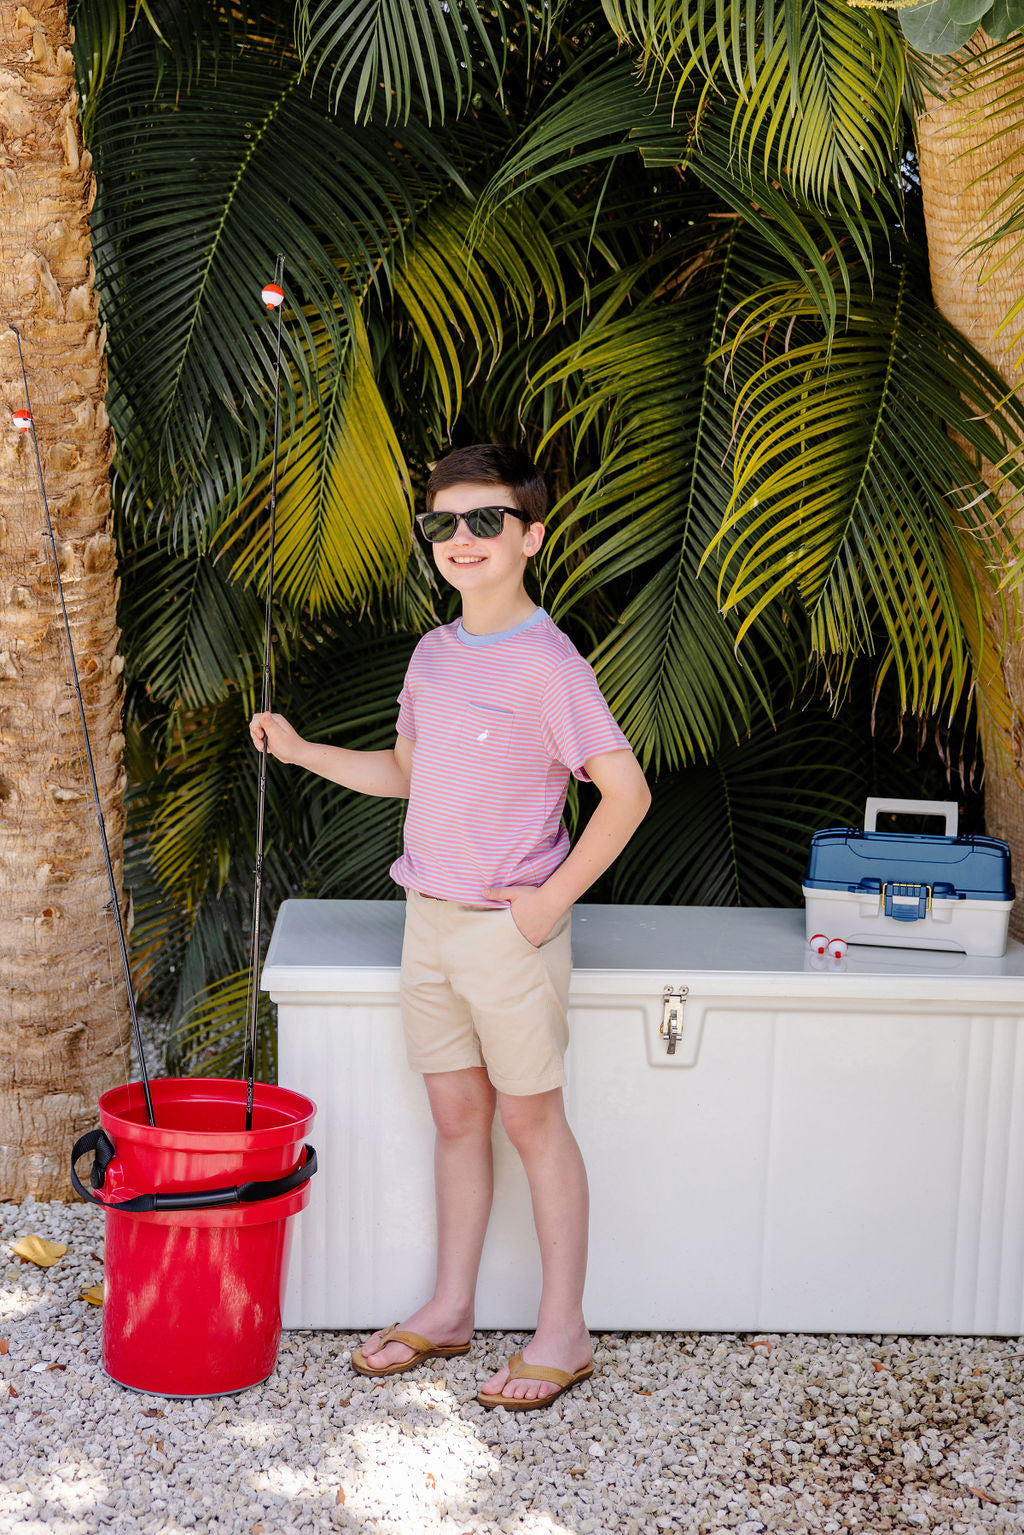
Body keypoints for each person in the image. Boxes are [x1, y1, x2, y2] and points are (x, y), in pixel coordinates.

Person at [250, 443, 651, 1410]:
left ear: (530, 536)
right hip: (426, 924)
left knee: (532, 1123)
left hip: (508, 935)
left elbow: (627, 793)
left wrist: (548, 904)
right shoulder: (433, 654)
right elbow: (406, 773)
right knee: (457, 1120)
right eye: (443, 522)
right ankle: (452, 1306)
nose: (461, 538)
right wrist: (302, 751)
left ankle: (565, 1330)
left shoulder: (551, 664)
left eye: (485, 520)